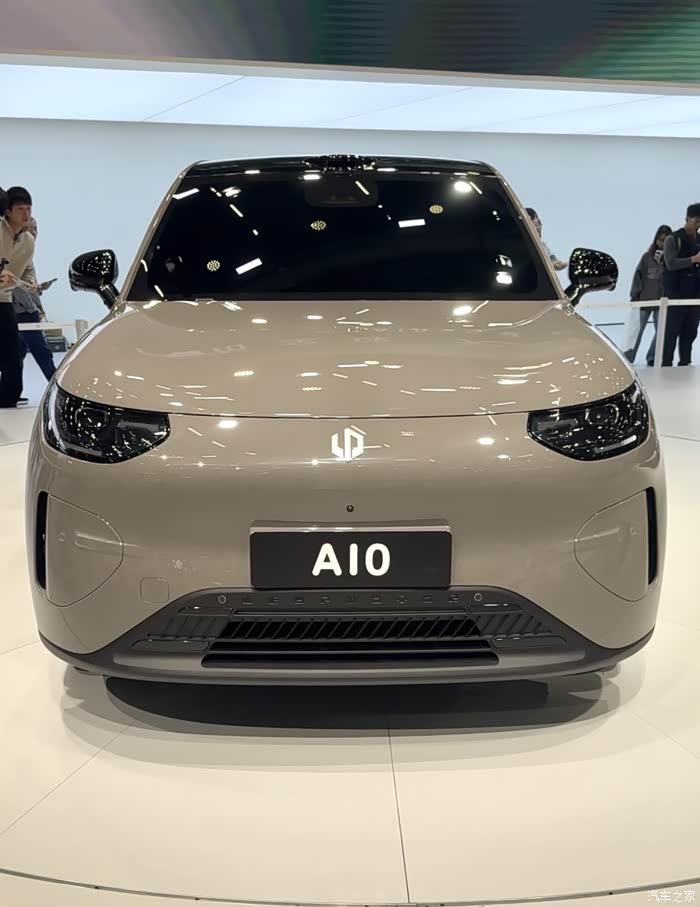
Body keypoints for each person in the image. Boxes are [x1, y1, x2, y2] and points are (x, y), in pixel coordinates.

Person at [0, 186, 36, 408]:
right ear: (8, 211)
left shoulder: (28, 240)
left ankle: (8, 397)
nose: (26, 214)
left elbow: (27, 269)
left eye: (29, 208)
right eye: (20, 209)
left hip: (4, 299)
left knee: (14, 350)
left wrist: (31, 283)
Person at [13, 218, 57, 385]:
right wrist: (33, 309)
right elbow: (15, 286)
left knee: (18, 352)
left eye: (35, 229)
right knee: (42, 352)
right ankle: (54, 386)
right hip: (24, 312)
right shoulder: (18, 253)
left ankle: (9, 391)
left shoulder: (25, 252)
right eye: (29, 229)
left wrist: (38, 289)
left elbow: (24, 285)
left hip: (20, 310)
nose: (34, 232)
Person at [625, 225, 672, 367]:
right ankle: (628, 357)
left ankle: (652, 356)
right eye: (660, 240)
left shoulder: (671, 259)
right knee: (636, 331)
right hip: (644, 300)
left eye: (665, 240)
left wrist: (665, 261)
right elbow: (638, 275)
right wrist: (635, 295)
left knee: (661, 332)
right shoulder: (646, 257)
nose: (662, 243)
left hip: (662, 302)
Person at [662, 203, 700, 367]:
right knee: (671, 332)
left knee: (690, 332)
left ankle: (685, 362)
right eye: (696, 221)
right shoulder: (673, 239)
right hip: (675, 293)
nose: (698, 225)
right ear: (687, 218)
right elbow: (670, 263)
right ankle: (666, 364)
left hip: (695, 293)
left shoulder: (698, 240)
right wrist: (693, 260)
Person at [525, 207, 568, 271]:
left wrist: (566, 263)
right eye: (535, 217)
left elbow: (554, 261)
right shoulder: (521, 242)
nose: (538, 221)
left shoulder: (543, 246)